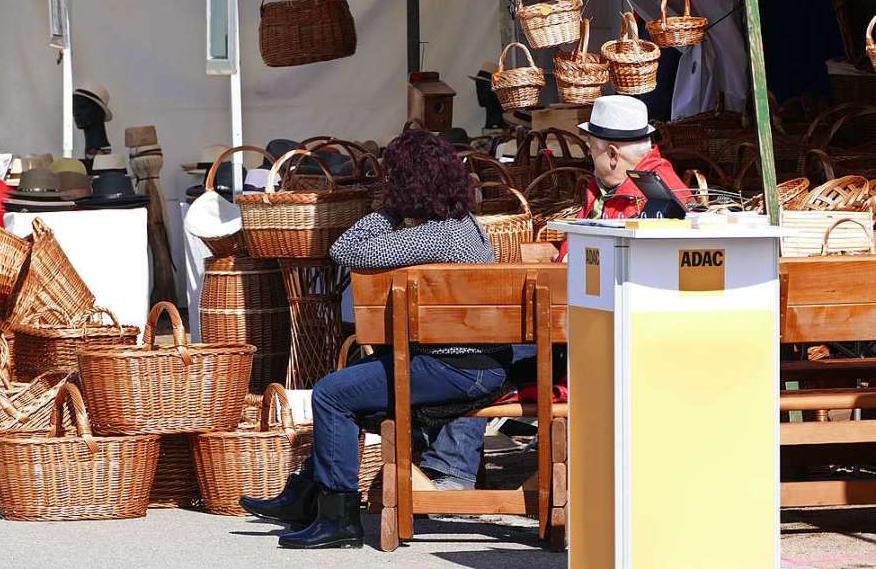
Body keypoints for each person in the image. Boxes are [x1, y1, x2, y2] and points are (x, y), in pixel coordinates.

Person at [240, 130, 509, 549]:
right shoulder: (462, 226)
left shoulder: (435, 236)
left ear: (405, 185)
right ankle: (307, 496)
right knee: (351, 381)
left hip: (456, 370)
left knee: (331, 394)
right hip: (471, 364)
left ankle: (339, 518)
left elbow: (347, 248)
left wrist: (390, 210)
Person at [559, 95, 685, 259]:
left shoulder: (661, 195)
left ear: (612, 155)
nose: (589, 154)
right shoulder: (602, 186)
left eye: (592, 147)